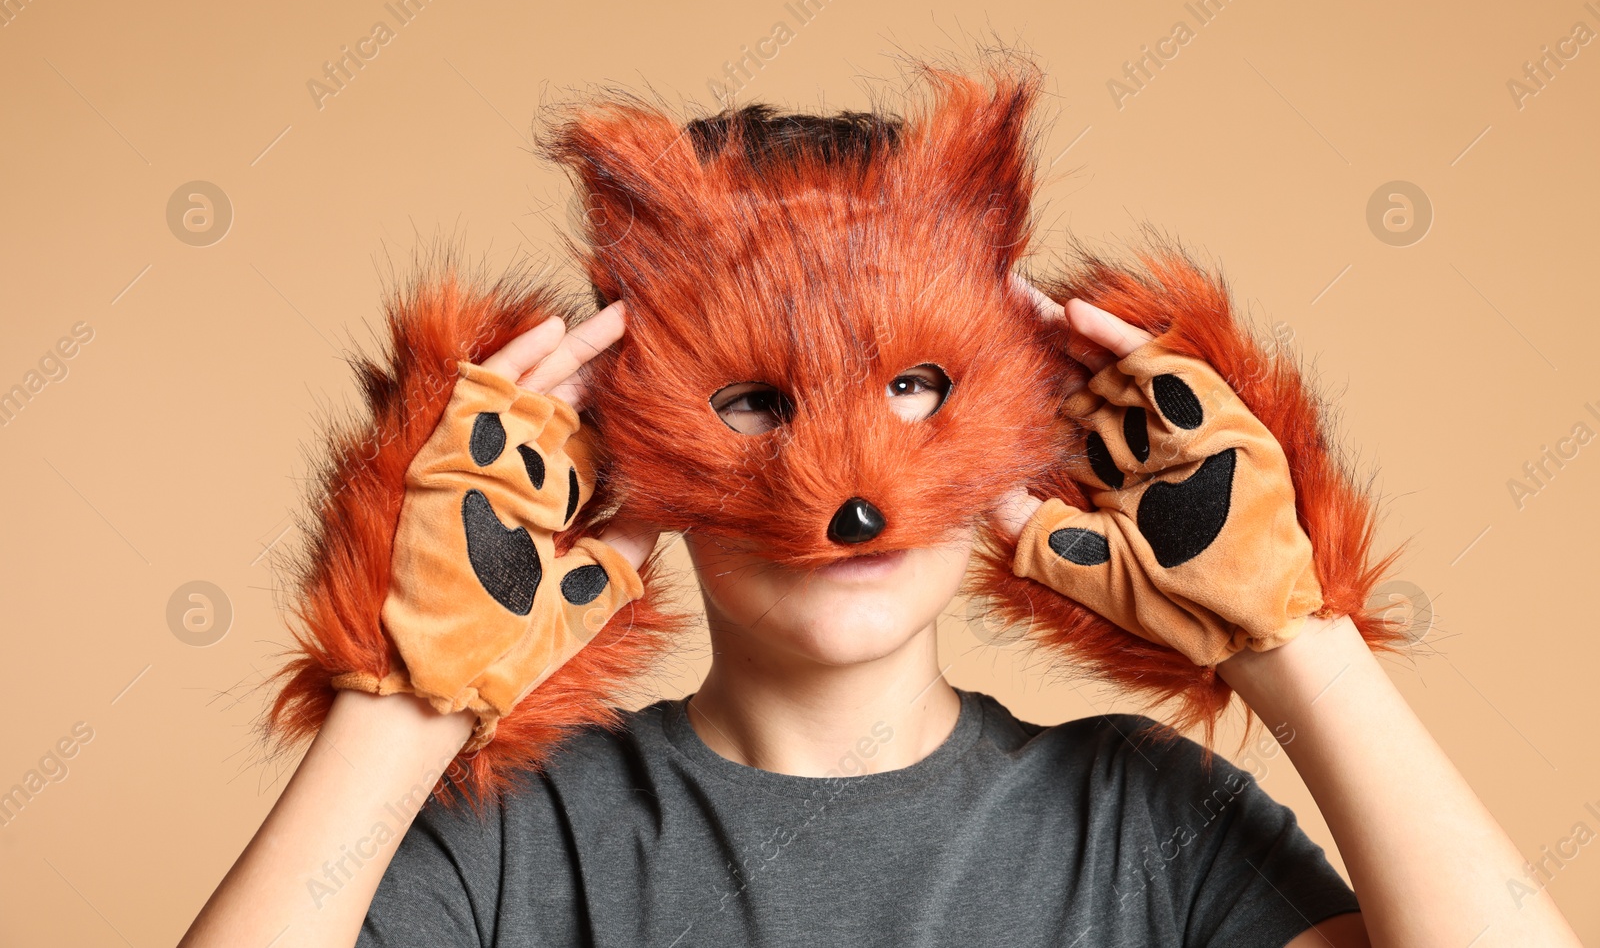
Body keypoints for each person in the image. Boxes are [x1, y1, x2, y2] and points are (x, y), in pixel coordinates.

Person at [179, 74, 1580, 947]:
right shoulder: (512, 843)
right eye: (751, 402)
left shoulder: (1141, 827)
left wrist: (1295, 637)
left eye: (916, 383)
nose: (849, 487)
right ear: (609, 427)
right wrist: (409, 696)